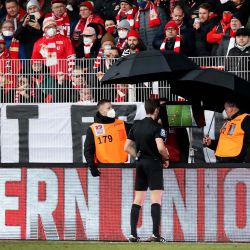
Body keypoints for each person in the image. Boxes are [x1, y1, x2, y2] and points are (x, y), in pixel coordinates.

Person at [124, 99, 170, 242]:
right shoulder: (157, 127)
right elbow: (161, 147)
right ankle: (155, 234)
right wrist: (166, 158)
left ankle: (133, 234)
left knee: (138, 199)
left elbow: (126, 147)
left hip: (140, 164)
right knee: (155, 199)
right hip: (154, 163)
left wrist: (137, 155)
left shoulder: (136, 125)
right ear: (156, 110)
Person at [84, 99, 131, 177]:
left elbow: (137, 131)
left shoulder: (121, 124)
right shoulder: (93, 128)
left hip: (122, 168)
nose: (112, 110)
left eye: (111, 107)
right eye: (108, 108)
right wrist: (92, 167)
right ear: (101, 111)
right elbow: (88, 150)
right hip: (104, 169)